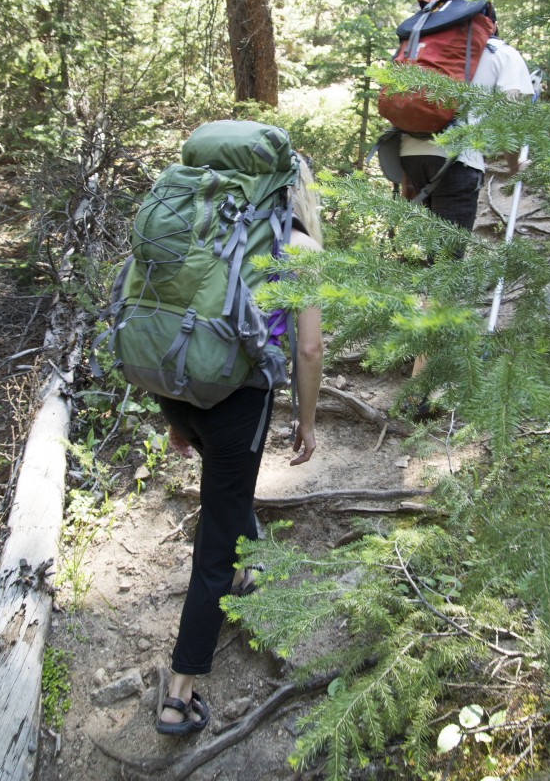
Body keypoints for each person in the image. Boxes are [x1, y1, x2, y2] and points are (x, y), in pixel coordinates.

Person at [155, 156, 323, 736]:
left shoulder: (200, 223)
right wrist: (306, 421)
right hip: (237, 401)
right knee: (216, 538)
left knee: (228, 490)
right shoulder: (297, 245)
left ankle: (249, 567)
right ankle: (179, 692)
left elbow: (160, 313)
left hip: (177, 385)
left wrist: (174, 417)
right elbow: (307, 351)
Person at [399, 32, 534, 387]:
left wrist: (405, 176)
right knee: (446, 268)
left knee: (434, 262)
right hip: (455, 161)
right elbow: (509, 116)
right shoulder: (502, 54)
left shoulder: (431, 47)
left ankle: (415, 352)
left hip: (411, 156)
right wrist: (515, 164)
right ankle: (422, 384)